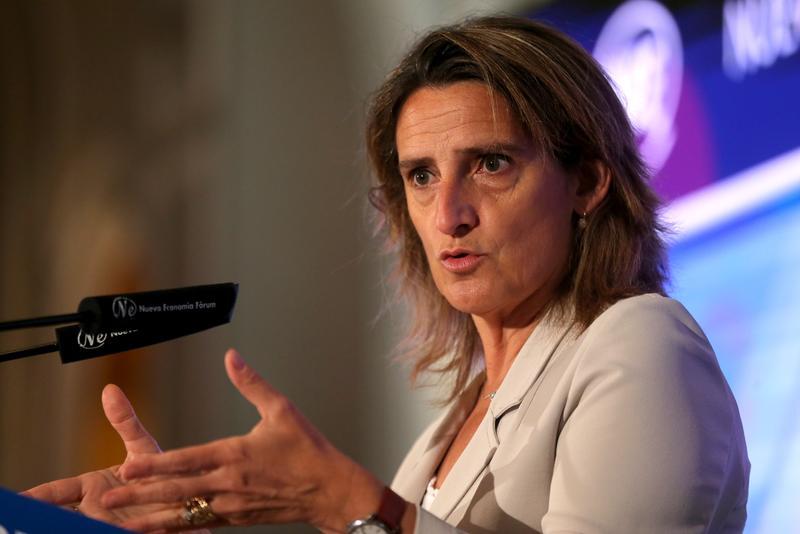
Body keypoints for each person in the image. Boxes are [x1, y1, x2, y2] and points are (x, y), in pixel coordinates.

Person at [25, 16, 749, 533]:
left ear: (586, 182)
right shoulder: (438, 442)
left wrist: (351, 503)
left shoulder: (641, 343)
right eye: (421, 176)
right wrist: (176, 516)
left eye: (491, 164)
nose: (449, 214)